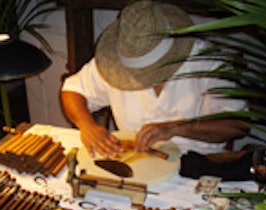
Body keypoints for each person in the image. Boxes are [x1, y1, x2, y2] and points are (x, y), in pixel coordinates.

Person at [61, 0, 248, 158]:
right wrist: (88, 126)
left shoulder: (207, 61)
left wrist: (175, 128)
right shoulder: (116, 60)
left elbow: (238, 125)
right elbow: (72, 90)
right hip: (134, 160)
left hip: (196, 162)